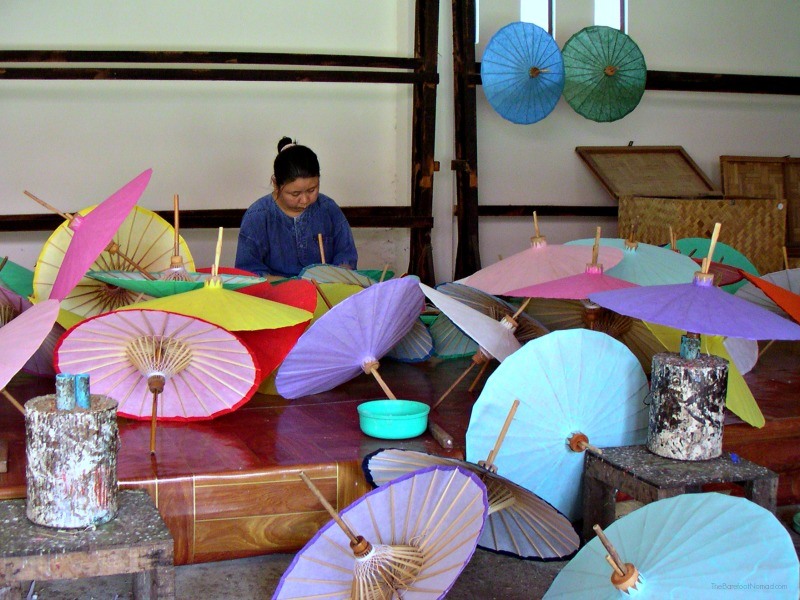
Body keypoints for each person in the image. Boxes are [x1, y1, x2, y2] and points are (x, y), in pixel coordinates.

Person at [235, 136, 358, 278]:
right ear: (276, 184)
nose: (305, 200)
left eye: (312, 190)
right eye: (295, 193)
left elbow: (346, 255)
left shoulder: (328, 209)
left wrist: (339, 276)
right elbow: (247, 271)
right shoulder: (257, 217)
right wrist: (292, 287)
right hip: (275, 296)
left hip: (325, 294)